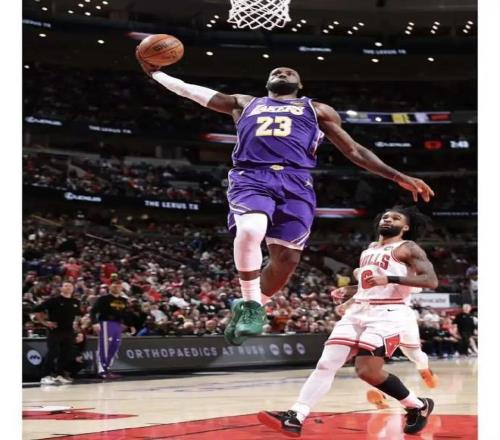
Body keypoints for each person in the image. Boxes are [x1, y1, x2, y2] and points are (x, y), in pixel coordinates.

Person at [136, 55, 435, 346]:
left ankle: (251, 304)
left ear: (300, 84)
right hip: (252, 175)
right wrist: (157, 74)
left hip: (296, 182)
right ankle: (251, 305)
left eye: (289, 71)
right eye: (276, 71)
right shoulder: (245, 103)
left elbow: (354, 150)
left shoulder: (317, 110)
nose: (282, 72)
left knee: (287, 260)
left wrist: (396, 176)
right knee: (250, 229)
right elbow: (193, 92)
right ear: (267, 82)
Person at [258, 206, 438, 437]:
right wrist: (350, 292)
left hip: (389, 313)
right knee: (326, 364)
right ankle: (296, 416)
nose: (388, 219)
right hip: (359, 311)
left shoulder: (408, 247)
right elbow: (370, 285)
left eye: (395, 218)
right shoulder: (369, 250)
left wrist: (389, 278)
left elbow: (431, 280)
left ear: (405, 227)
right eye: (385, 216)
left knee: (367, 371)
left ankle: (418, 405)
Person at [332, 278, 438, 411]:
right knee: (370, 362)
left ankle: (425, 370)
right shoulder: (366, 271)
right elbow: (364, 290)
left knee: (414, 354)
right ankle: (380, 393)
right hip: (375, 319)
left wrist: (389, 279)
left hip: (400, 317)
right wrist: (347, 299)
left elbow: (418, 284)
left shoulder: (403, 270)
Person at [33, 282, 81, 385]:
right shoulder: (54, 300)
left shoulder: (76, 302)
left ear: (73, 289)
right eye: (65, 286)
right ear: (61, 288)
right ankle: (45, 376)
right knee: (53, 352)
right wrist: (45, 323)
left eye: (70, 286)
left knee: (66, 353)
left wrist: (77, 328)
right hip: (55, 330)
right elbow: (36, 310)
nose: (68, 288)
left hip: (69, 331)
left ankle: (60, 374)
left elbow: (77, 315)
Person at [90, 278, 130, 379]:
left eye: (118, 286)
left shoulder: (124, 300)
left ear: (121, 288)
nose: (116, 287)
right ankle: (101, 370)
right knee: (104, 346)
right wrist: (94, 323)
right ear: (110, 287)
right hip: (106, 323)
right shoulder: (103, 298)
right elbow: (93, 311)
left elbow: (125, 313)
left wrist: (126, 323)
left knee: (114, 347)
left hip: (118, 325)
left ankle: (107, 368)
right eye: (114, 285)